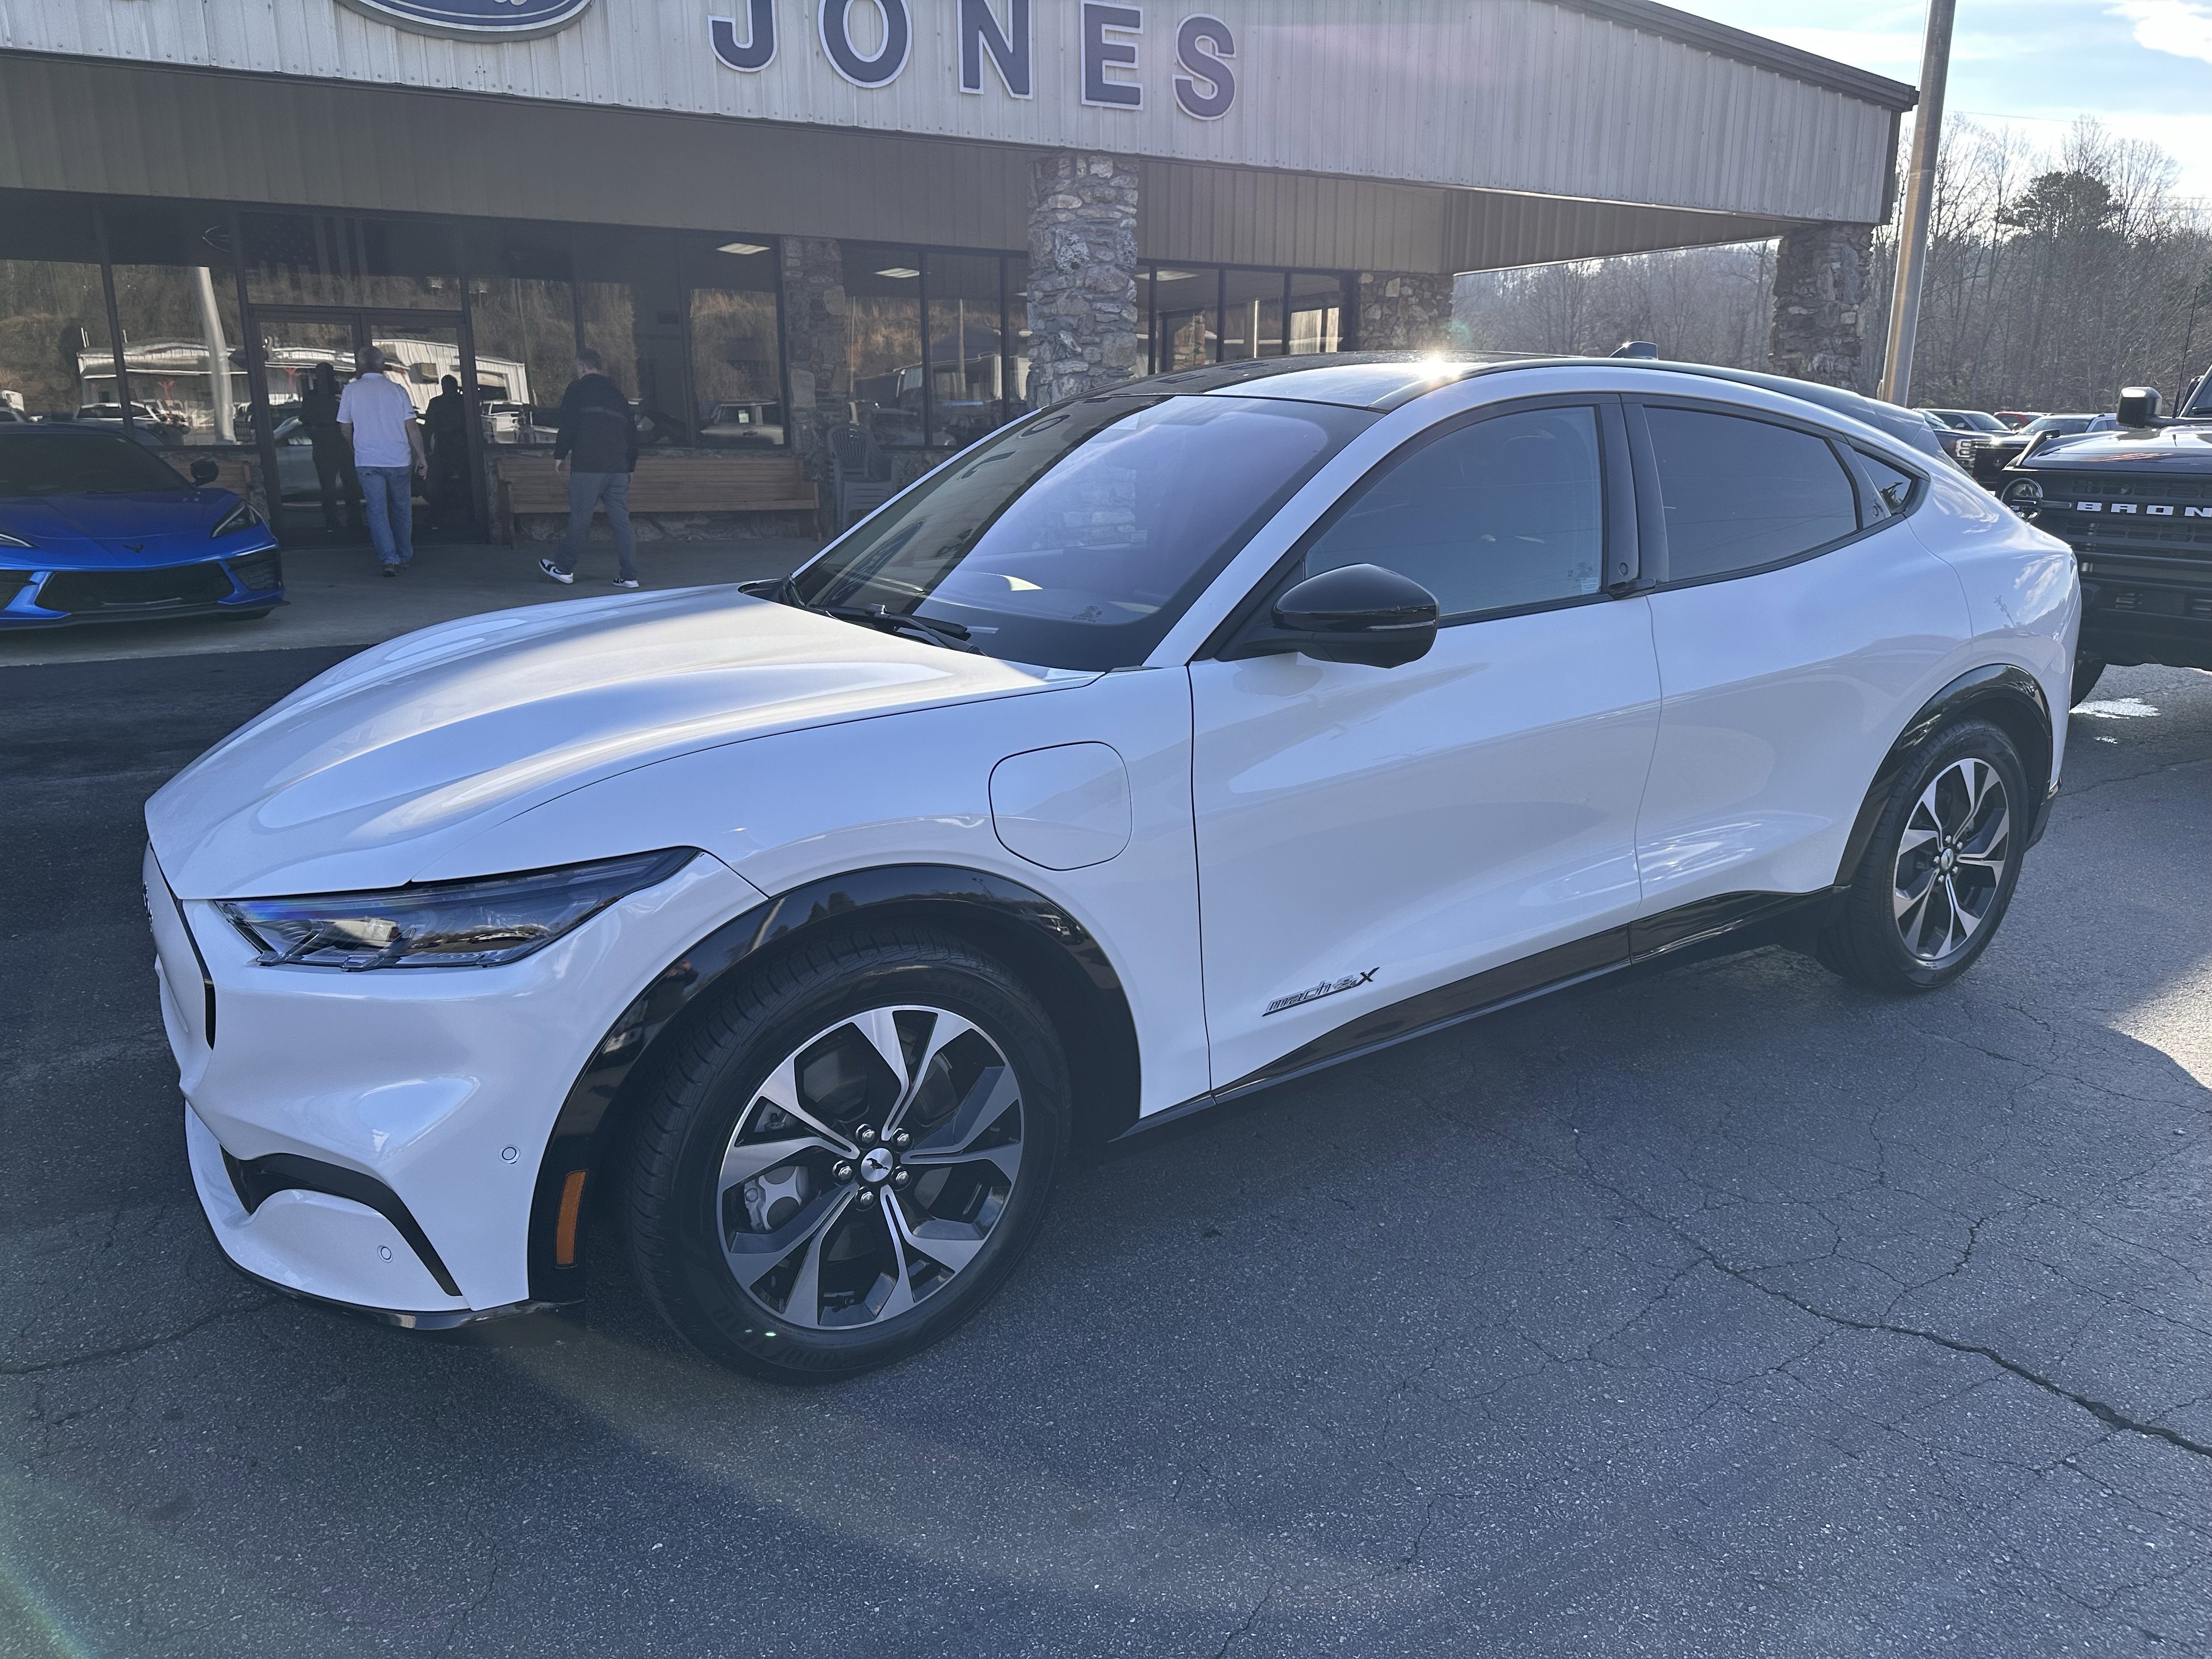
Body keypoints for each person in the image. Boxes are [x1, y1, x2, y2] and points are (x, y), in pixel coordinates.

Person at [540, 347, 640, 589]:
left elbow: (569, 424)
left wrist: (560, 455)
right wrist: (630, 466)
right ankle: (629, 576)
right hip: (617, 468)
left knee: (581, 520)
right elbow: (631, 433)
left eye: (577, 368)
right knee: (621, 523)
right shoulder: (617, 394)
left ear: (582, 367)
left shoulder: (577, 390)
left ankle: (564, 569)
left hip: (588, 467)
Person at [337, 345, 425, 575]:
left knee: (377, 510)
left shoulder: (351, 391)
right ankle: (404, 555)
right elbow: (412, 428)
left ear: (360, 365)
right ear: (382, 365)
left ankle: (389, 559)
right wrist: (422, 457)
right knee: (402, 508)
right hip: (398, 458)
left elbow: (345, 428)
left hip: (367, 459)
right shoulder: (398, 391)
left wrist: (355, 446)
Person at [300, 364, 360, 538]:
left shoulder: (343, 394)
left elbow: (354, 417)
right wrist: (317, 436)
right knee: (328, 487)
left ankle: (355, 520)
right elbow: (305, 422)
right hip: (324, 446)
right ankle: (331, 521)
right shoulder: (312, 397)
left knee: (351, 484)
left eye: (327, 373)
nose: (324, 377)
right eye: (321, 374)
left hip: (343, 443)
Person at [421, 373, 470, 526]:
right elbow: (429, 427)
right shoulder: (444, 403)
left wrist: (426, 445)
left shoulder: (463, 402)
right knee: (442, 478)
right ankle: (445, 510)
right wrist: (426, 446)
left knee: (461, 478)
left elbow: (429, 427)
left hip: (462, 445)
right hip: (448, 445)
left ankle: (462, 509)